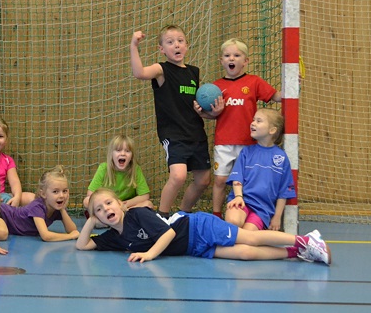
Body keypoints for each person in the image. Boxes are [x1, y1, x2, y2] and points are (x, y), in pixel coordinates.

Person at [76, 188, 331, 265]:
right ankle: (295, 252)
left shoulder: (137, 214)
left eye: (109, 203)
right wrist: (91, 220)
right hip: (193, 248)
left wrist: (150, 254)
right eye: (99, 210)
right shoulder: (115, 237)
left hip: (197, 227)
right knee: (244, 254)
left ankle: (305, 240)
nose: (106, 210)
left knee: (249, 238)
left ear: (121, 204)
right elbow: (82, 245)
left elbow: (168, 232)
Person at [130, 26, 210, 217]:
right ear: (162, 49)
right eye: (170, 42)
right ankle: (162, 216)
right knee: (178, 176)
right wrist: (134, 45)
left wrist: (206, 110)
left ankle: (182, 214)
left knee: (203, 180)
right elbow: (139, 73)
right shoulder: (161, 70)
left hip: (196, 133)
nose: (176, 45)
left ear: (187, 45)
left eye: (180, 41)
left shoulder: (193, 72)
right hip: (174, 135)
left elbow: (194, 105)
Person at [197, 38, 281, 218]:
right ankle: (217, 215)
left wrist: (293, 85)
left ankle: (250, 214)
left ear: (246, 61)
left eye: (236, 55)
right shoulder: (215, 88)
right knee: (220, 179)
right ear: (221, 61)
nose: (231, 58)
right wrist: (202, 112)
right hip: (224, 142)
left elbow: (276, 96)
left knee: (246, 182)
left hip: (249, 143)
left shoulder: (254, 82)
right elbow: (212, 114)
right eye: (227, 55)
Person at [225, 108, 295, 231]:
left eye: (259, 121)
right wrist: (238, 197)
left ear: (272, 130)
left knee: (247, 235)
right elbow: (237, 178)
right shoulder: (246, 152)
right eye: (253, 120)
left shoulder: (281, 157)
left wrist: (277, 217)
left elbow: (284, 191)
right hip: (243, 200)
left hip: (262, 210)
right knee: (233, 221)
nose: (253, 123)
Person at [0, 165, 80, 242]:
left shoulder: (56, 207)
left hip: (2, 218)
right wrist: (69, 236)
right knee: (2, 234)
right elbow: (45, 236)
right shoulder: (38, 207)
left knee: (1, 233)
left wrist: (62, 210)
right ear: (43, 194)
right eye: (55, 191)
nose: (61, 195)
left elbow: (73, 230)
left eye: (65, 191)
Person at [82, 134, 153, 211]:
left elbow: (145, 196)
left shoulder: (135, 169)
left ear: (131, 156)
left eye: (127, 151)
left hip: (125, 207)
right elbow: (90, 195)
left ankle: (123, 214)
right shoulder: (104, 168)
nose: (123, 154)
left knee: (148, 204)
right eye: (118, 150)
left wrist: (124, 204)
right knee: (86, 201)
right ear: (111, 154)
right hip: (107, 207)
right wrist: (111, 204)